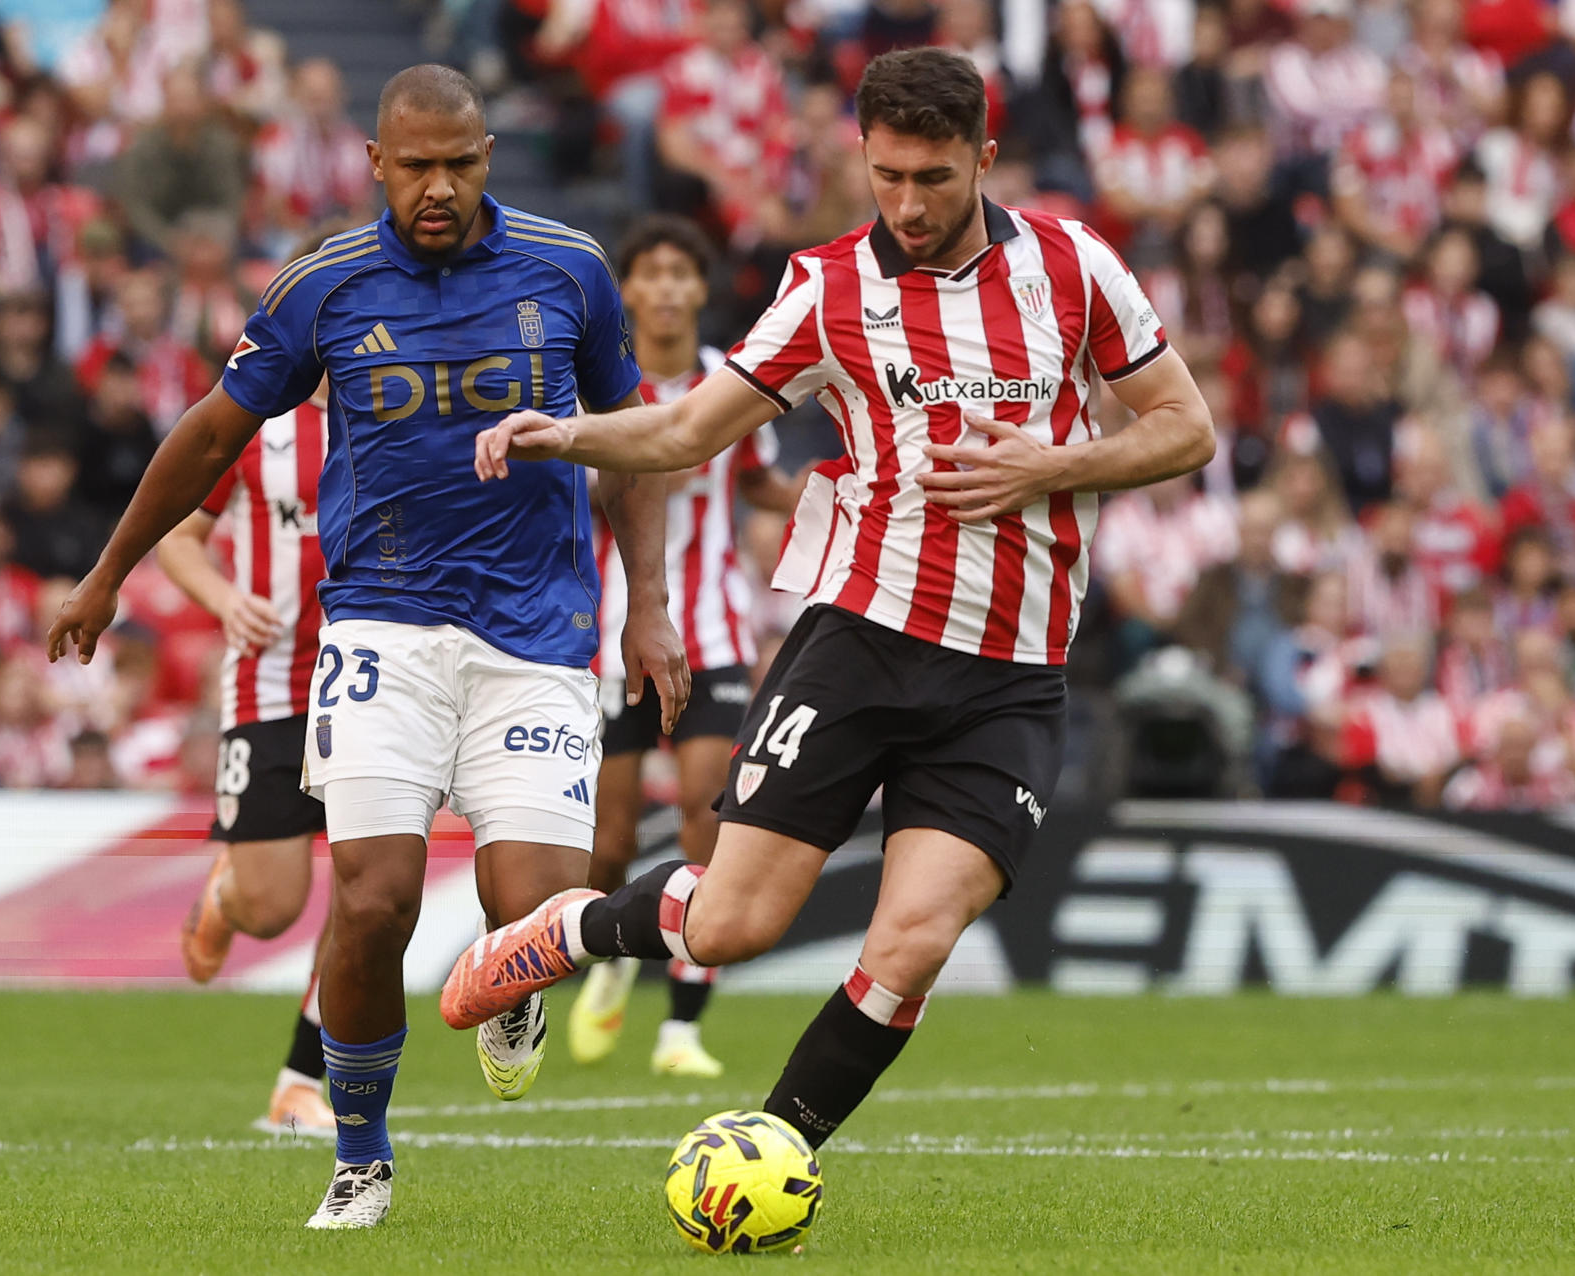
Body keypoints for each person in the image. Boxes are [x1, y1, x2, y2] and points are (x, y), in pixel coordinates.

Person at [443, 47, 1212, 1160]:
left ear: (985, 159)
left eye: (933, 179)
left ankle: (775, 1150)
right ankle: (560, 932)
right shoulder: (828, 287)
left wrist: (1047, 468)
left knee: (914, 940)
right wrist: (565, 433)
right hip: (859, 644)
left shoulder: (1074, 265)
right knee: (734, 923)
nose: (905, 203)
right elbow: (686, 429)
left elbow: (1184, 425)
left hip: (1010, 676)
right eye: (886, 174)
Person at [45, 64, 684, 1231]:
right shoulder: (325, 285)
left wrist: (648, 603)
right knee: (374, 898)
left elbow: (636, 441)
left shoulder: (571, 268)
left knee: (531, 910)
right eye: (418, 166)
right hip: (381, 624)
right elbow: (207, 434)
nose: (440, 188)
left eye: (462, 163)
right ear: (376, 165)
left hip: (537, 632)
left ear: (488, 155)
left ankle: (513, 987)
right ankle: (360, 1156)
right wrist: (108, 573)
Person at [568, 215, 801, 1080]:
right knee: (612, 838)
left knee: (712, 816)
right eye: (650, 273)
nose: (666, 288)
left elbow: (761, 480)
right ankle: (618, 956)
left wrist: (826, 490)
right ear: (626, 291)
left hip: (713, 635)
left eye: (681, 274)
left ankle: (681, 1030)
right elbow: (577, 491)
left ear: (700, 291)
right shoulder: (601, 385)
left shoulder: (728, 386)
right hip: (611, 640)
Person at [154, 362, 333, 1137]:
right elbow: (179, 539)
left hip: (384, 695)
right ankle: (227, 896)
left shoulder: (412, 419)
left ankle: (301, 1082)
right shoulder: (258, 427)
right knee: (273, 908)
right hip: (270, 692)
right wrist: (226, 599)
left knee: (372, 894)